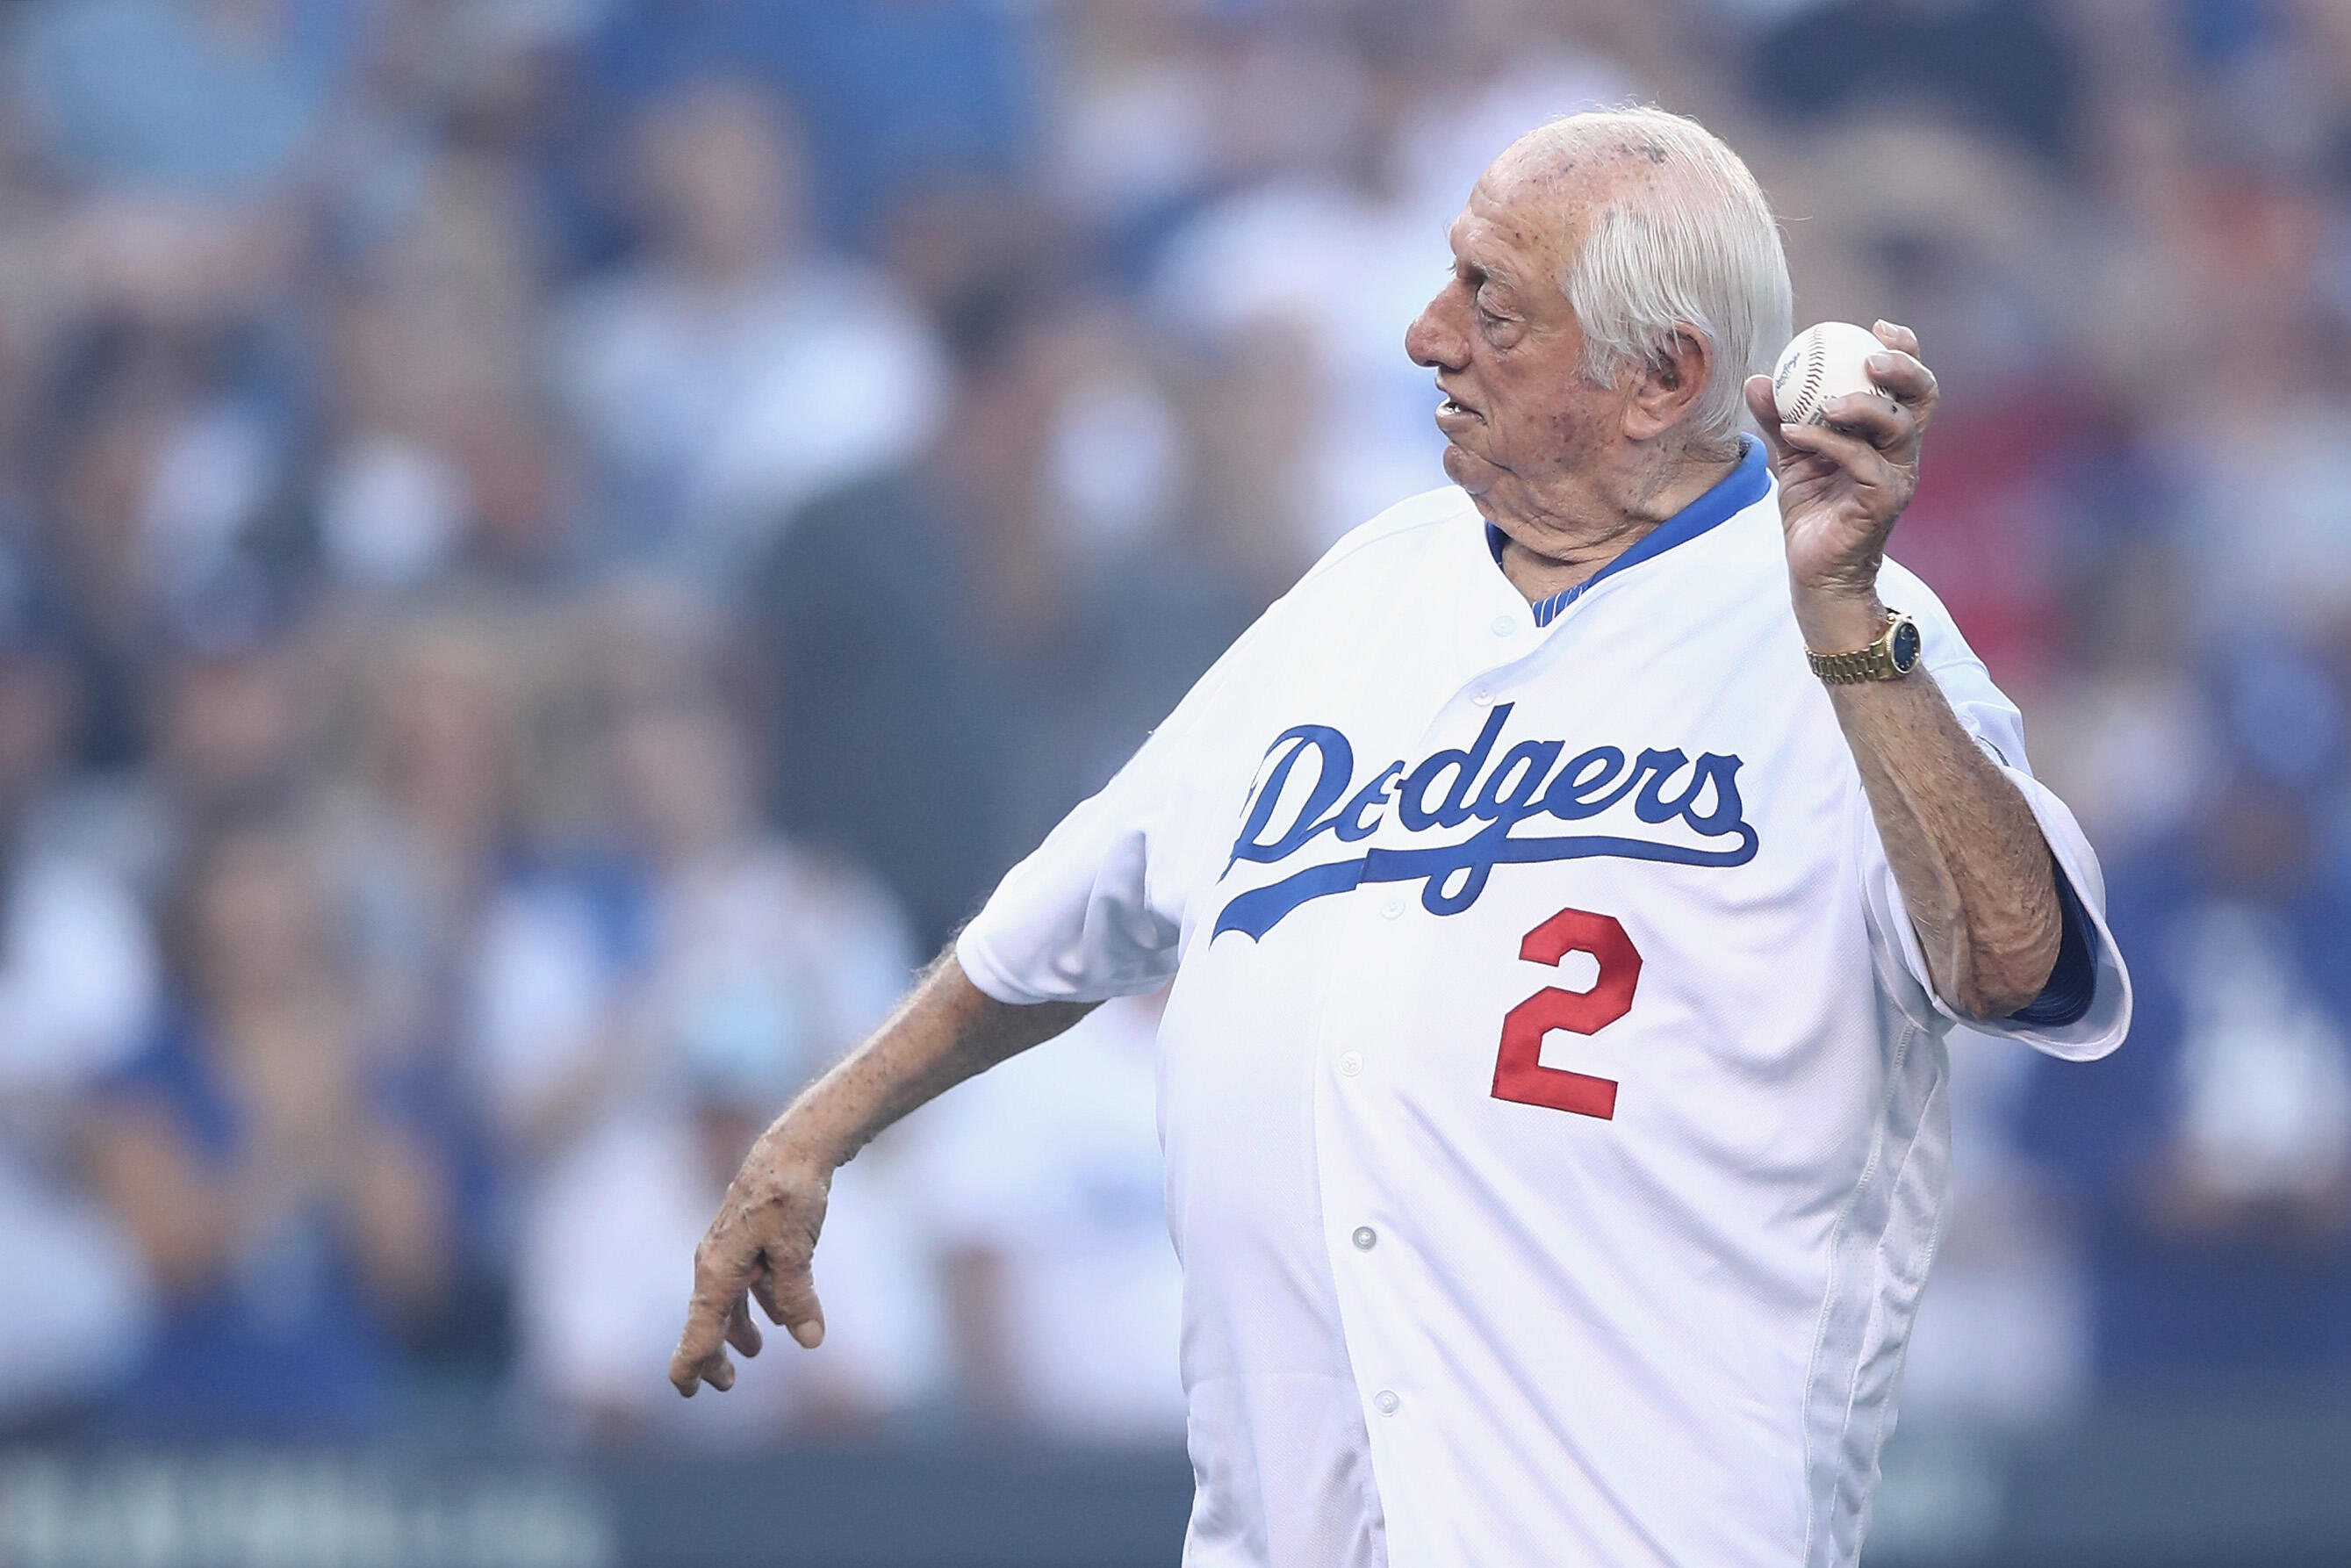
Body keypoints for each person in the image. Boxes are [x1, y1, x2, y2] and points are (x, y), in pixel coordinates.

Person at [672, 107, 2132, 1566]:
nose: (1427, 334)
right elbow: (1066, 912)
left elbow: (2012, 960)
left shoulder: (1853, 635)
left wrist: (1849, 633)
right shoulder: (1363, 589)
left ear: (1659, 377)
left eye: (1492, 304)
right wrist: (813, 1132)